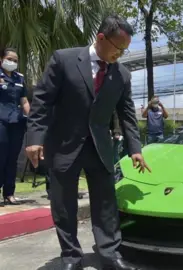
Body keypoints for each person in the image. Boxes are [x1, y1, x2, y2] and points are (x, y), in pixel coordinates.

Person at [25, 15, 150, 270]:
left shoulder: (122, 75)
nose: (121, 54)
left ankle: (110, 254)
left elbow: (127, 115)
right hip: (64, 145)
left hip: (100, 148)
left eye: (125, 50)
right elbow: (42, 101)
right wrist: (35, 139)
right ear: (101, 38)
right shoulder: (65, 59)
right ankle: (71, 257)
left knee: (106, 204)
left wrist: (135, 149)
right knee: (64, 204)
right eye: (118, 48)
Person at [0, 48, 30, 206]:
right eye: (9, 59)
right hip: (1, 121)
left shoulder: (20, 78)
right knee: (1, 156)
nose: (12, 62)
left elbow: (24, 101)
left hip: (17, 122)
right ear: (2, 59)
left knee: (12, 159)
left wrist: (32, 118)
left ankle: (9, 193)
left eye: (15, 60)